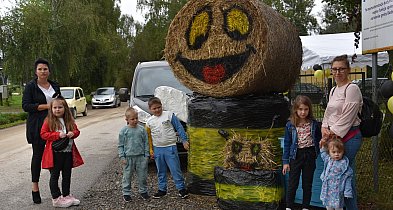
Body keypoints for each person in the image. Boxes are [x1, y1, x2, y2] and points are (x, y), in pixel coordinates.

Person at [321, 54, 363, 210]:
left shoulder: (352, 89)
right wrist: (324, 128)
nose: (338, 72)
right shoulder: (333, 90)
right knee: (337, 176)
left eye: (341, 69)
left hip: (349, 137)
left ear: (348, 70)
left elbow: (348, 117)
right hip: (333, 137)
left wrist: (329, 135)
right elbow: (328, 113)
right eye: (335, 69)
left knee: (344, 175)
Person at [22, 58, 60, 204]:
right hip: (37, 125)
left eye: (45, 69)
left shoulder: (55, 85)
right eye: (40, 69)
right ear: (35, 71)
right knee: (37, 156)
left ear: (49, 71)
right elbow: (26, 106)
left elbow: (60, 103)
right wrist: (47, 106)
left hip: (54, 124)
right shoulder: (31, 87)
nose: (43, 71)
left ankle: (55, 190)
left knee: (54, 155)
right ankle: (35, 188)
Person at [40, 96, 84, 208]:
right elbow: (43, 134)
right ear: (51, 109)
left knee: (67, 175)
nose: (57, 109)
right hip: (55, 153)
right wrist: (57, 135)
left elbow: (77, 131)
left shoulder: (69, 120)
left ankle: (66, 195)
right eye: (55, 107)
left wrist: (73, 133)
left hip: (68, 152)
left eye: (60, 107)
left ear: (65, 108)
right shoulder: (48, 121)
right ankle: (56, 198)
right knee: (54, 175)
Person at [282, 95, 322, 210]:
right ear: (295, 109)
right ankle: (289, 207)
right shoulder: (290, 124)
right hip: (296, 155)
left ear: (309, 109)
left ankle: (305, 207)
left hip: (309, 154)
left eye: (306, 109)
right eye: (300, 109)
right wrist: (285, 162)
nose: (303, 112)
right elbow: (287, 143)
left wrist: (318, 149)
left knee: (307, 183)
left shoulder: (313, 123)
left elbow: (318, 138)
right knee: (293, 183)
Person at [146, 97, 190, 199]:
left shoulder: (169, 115)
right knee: (161, 170)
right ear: (150, 109)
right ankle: (162, 189)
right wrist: (150, 150)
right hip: (158, 149)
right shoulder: (149, 122)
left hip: (170, 147)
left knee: (175, 169)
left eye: (159, 107)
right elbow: (148, 138)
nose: (157, 110)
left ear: (162, 106)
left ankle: (181, 189)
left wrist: (184, 140)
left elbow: (179, 127)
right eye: (154, 108)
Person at [118, 107, 150, 202]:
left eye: (136, 118)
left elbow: (146, 143)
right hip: (128, 158)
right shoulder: (124, 131)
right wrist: (122, 157)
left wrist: (146, 155)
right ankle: (126, 193)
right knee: (127, 176)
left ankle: (143, 191)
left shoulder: (142, 130)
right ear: (127, 120)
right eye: (132, 119)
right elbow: (120, 145)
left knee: (142, 176)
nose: (135, 120)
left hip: (141, 157)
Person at [319, 138, 353, 210]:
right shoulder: (328, 159)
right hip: (328, 188)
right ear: (329, 152)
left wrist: (347, 191)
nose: (336, 154)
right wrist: (322, 144)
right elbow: (322, 153)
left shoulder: (344, 163)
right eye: (333, 152)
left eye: (339, 152)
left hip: (337, 190)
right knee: (328, 206)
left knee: (338, 206)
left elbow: (347, 177)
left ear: (343, 152)